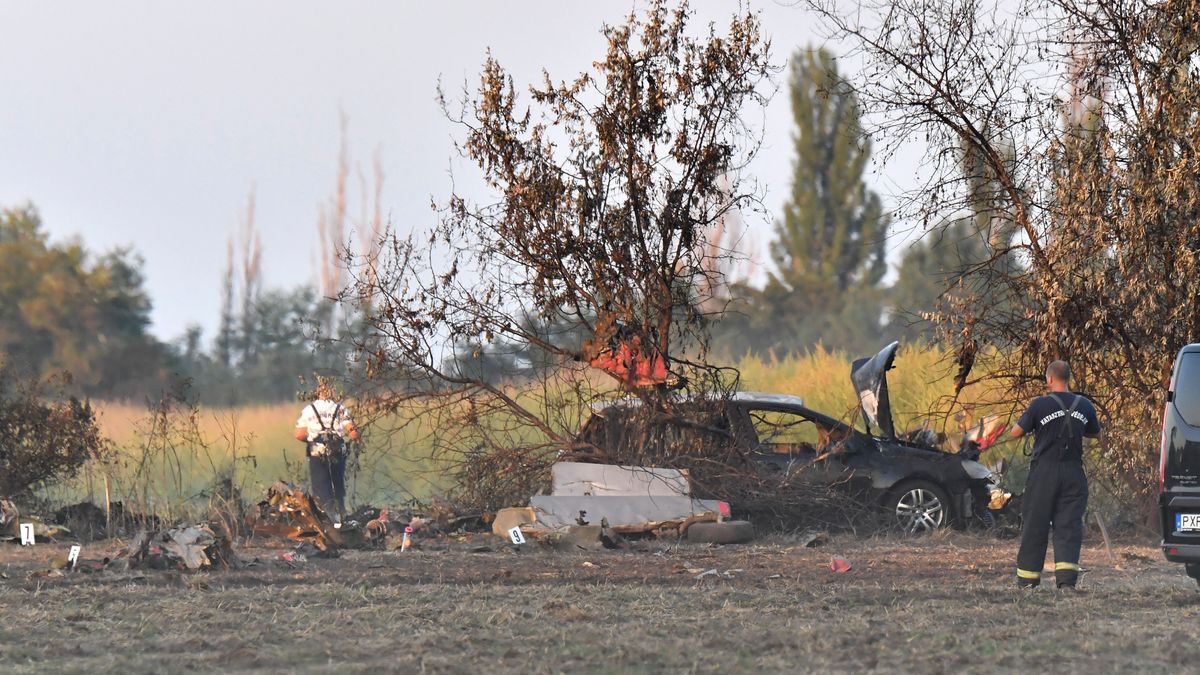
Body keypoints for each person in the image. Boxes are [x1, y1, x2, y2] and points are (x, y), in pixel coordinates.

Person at [1008, 360, 1102, 589]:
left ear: (1049, 379)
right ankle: (1066, 582)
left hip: (1044, 473)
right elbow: (1095, 433)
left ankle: (1028, 581)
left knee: (1035, 525)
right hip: (1073, 472)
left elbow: (1015, 432)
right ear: (1068, 378)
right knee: (1069, 526)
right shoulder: (1085, 405)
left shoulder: (1039, 404)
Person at [294, 378, 359, 522]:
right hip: (337, 451)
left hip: (317, 452)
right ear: (334, 392)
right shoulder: (341, 409)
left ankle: (327, 519)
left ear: (317, 393)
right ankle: (341, 517)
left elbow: (298, 434)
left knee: (321, 487)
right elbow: (353, 433)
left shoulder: (309, 410)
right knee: (338, 485)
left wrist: (311, 439)